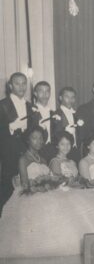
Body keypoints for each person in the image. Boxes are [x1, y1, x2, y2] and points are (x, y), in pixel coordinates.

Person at [0, 128, 94, 258]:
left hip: (60, 190)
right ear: (28, 140)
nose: (38, 141)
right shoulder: (23, 159)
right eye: (34, 138)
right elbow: (26, 183)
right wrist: (42, 186)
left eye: (40, 138)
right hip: (33, 194)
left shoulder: (43, 160)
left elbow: (58, 178)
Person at [0, 72, 32, 213]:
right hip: (8, 153)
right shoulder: (2, 105)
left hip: (26, 152)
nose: (21, 86)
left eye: (24, 83)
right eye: (17, 83)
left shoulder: (30, 106)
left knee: (26, 188)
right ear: (10, 85)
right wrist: (10, 127)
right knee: (8, 188)